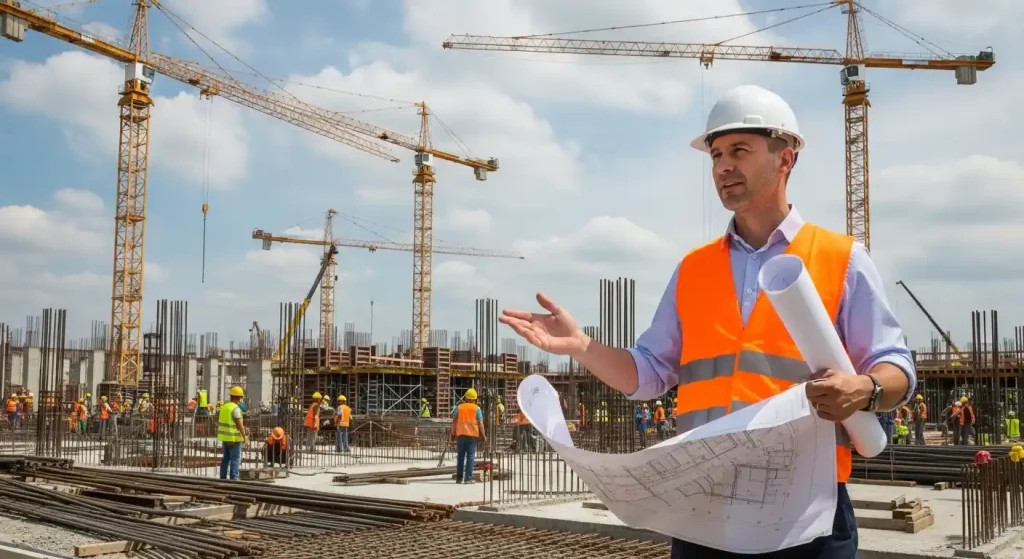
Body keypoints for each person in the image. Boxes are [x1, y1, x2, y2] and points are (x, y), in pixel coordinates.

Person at [498, 85, 916, 559]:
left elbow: (894, 366)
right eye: (716, 154)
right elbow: (650, 374)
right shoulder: (694, 269)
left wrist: (866, 389)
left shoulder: (842, 259)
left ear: (786, 158)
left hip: (807, 514)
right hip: (705, 509)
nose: (723, 166)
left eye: (740, 150)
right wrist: (581, 346)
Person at [450, 388, 486, 484]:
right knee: (470, 457)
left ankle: (459, 478)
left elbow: (454, 422)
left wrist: (452, 434)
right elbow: (480, 424)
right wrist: (483, 436)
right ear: (474, 399)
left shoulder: (459, 408)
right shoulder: (477, 409)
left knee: (460, 457)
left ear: (466, 398)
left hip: (461, 435)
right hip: (472, 436)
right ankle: (468, 479)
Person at [217, 386, 248, 481]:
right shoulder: (235, 409)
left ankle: (222, 476)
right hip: (234, 439)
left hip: (225, 437)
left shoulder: (224, 407)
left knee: (226, 458)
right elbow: (240, 425)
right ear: (239, 397)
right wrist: (245, 437)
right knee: (235, 459)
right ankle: (234, 478)